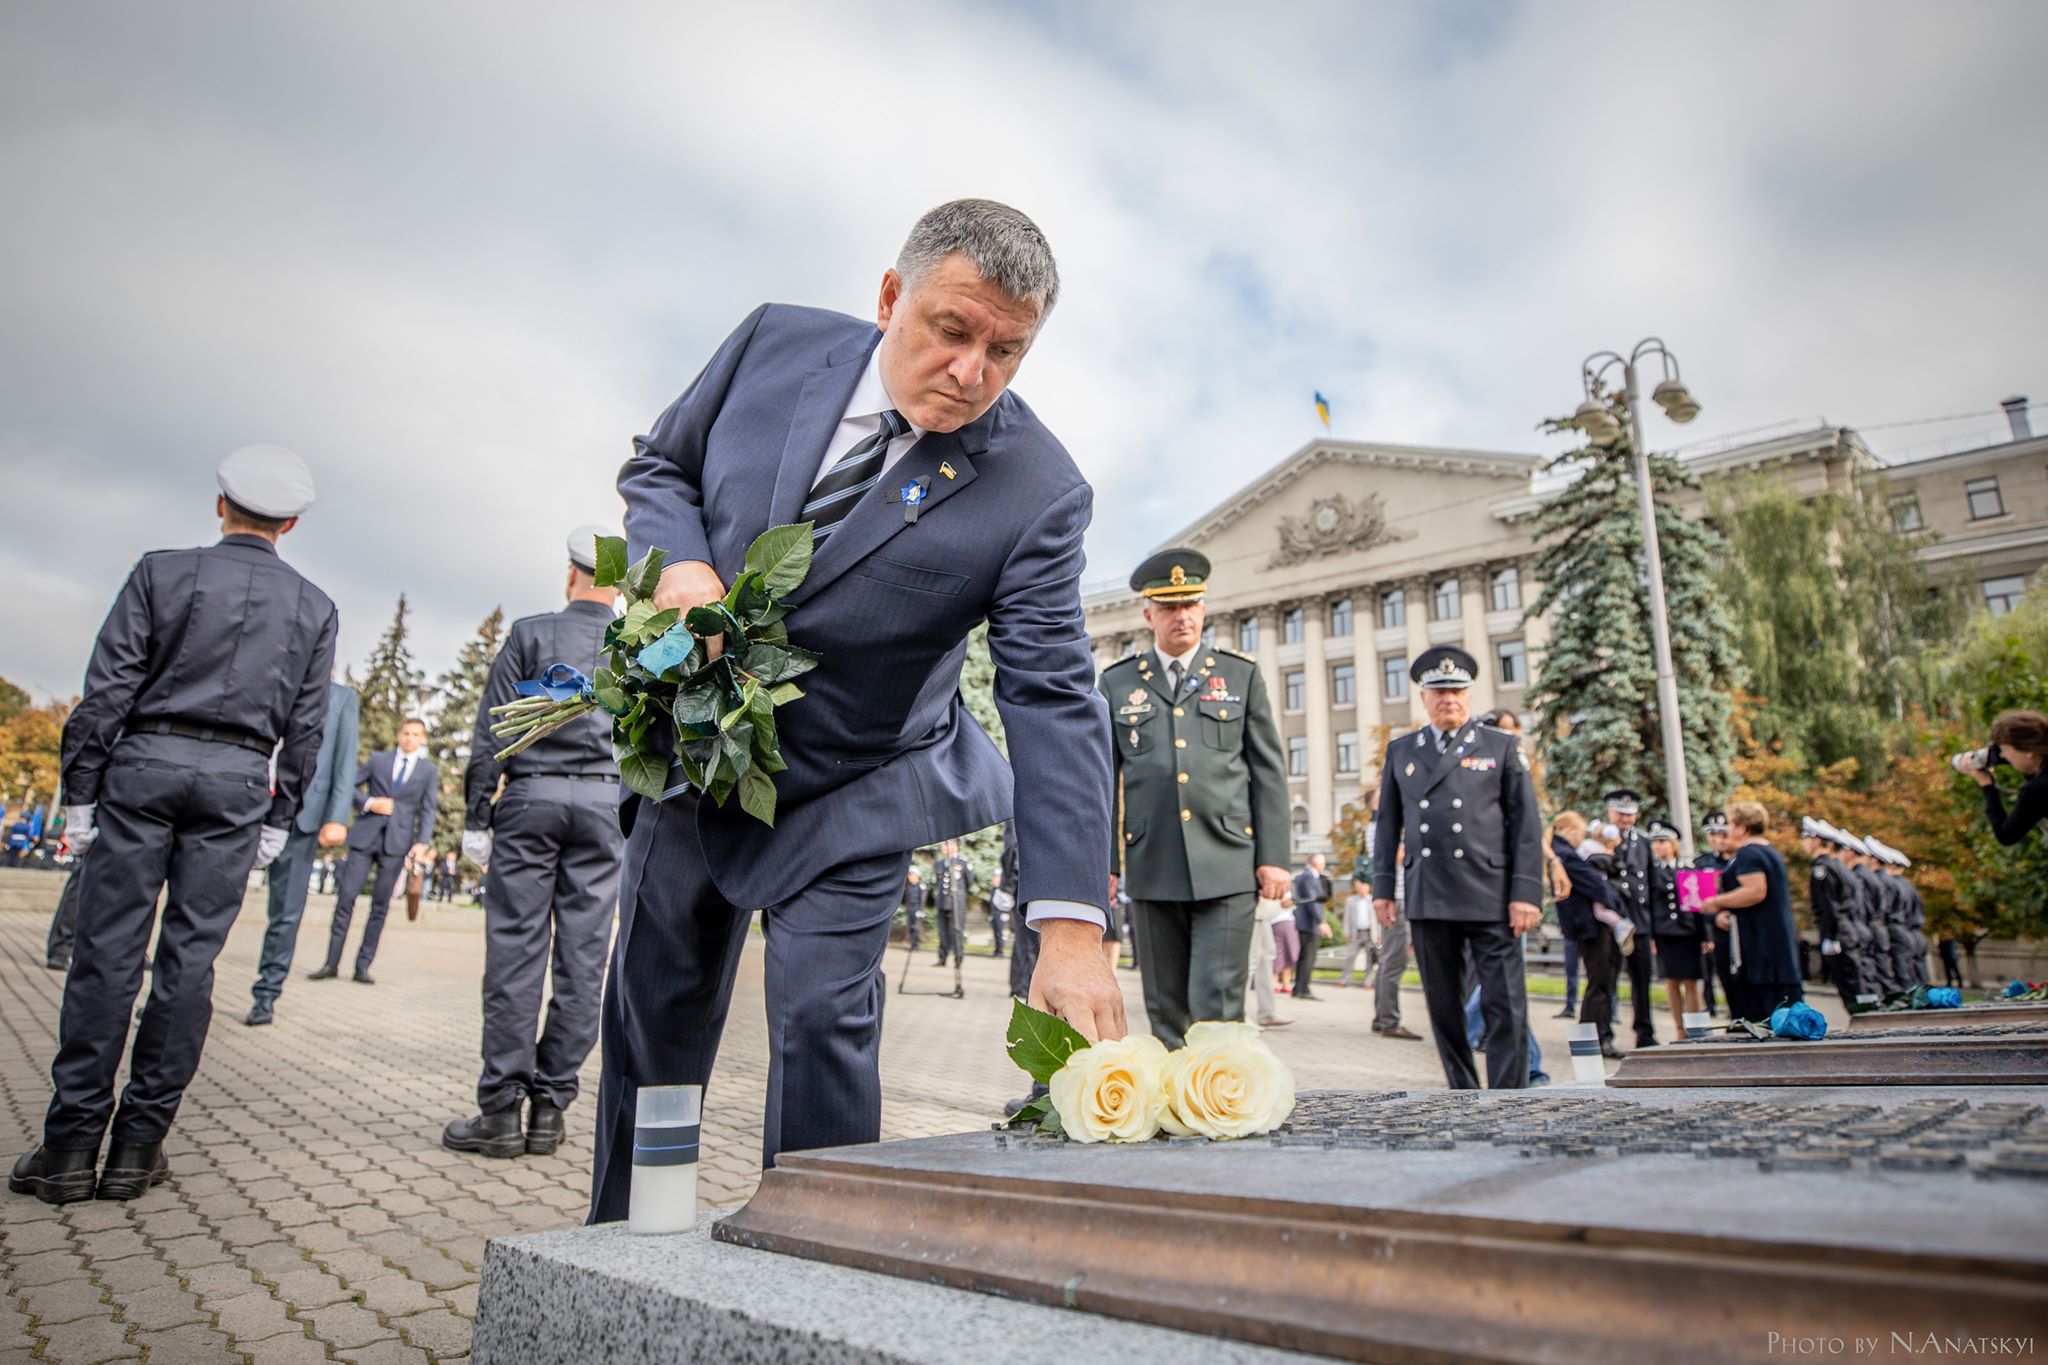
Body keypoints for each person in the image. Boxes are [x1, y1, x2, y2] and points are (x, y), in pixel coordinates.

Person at [593, 200, 1117, 1215]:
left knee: (822, 1026)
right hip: (697, 757)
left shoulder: (1037, 492)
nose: (972, 373)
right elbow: (659, 467)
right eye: (951, 332)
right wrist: (685, 567)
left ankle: (813, 1261)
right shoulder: (771, 343)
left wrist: (1069, 925)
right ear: (889, 299)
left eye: (1006, 351)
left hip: (856, 782)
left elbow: (1050, 694)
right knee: (654, 1021)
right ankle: (628, 1236)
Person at [11, 446, 335, 1206]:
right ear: (289, 523)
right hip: (234, 785)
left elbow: (105, 692)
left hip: (143, 765)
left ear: (220, 506)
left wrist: (80, 795)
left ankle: (67, 1149)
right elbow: (308, 726)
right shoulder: (315, 607)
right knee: (188, 965)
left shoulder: (160, 572)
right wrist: (281, 814)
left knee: (107, 957)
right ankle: (136, 1148)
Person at [443, 526, 627, 1160]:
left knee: (516, 952)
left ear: (570, 573)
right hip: (606, 805)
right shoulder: (637, 646)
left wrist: (475, 816)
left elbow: (491, 731)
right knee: (584, 958)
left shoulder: (528, 633)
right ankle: (550, 1111)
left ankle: (500, 1113)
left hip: (531, 799)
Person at [1102, 547, 1288, 1050]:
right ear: (1148, 614)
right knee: (1165, 1007)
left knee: (1217, 1003)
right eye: (1168, 607)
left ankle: (1222, 1111)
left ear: (1204, 609)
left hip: (1228, 860)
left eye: (1190, 605)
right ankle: (1174, 1115)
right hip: (1153, 858)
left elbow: (1267, 771)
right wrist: (1107, 862)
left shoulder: (1240, 675)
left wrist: (1274, 859)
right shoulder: (1117, 683)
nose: (1180, 616)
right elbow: (1103, 781)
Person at [1370, 647, 1542, 1090]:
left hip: (1492, 893)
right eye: (1439, 691)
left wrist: (1526, 893)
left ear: (1469, 695)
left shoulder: (1500, 746)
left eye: (1457, 691)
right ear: (1423, 698)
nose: (1449, 699)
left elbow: (1525, 825)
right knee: (1443, 1005)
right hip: (1430, 892)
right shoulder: (1403, 750)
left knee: (1505, 1002)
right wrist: (1383, 890)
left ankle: (1509, 1095)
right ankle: (1462, 1093)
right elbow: (1388, 825)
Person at [245, 681, 358, 1026]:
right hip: (245, 801)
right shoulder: (267, 679)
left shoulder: (340, 698)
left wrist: (336, 816)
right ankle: (176, 990)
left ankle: (267, 993)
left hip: (302, 815)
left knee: (286, 912)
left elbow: (345, 759)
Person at [311, 717, 437, 985]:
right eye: (406, 733)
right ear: (398, 734)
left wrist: (421, 842)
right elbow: (349, 786)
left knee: (380, 907)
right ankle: (331, 963)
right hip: (364, 838)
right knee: (346, 898)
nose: (410, 738)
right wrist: (369, 802)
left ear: (422, 739)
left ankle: (363, 966)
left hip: (397, 843)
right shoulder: (378, 760)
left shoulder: (428, 771)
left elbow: (428, 809)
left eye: (416, 734)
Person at [1699, 802, 1803, 1022]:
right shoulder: (1769, 851)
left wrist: (1717, 901)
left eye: (1731, 824)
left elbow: (1755, 891)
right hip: (1777, 946)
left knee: (1765, 1015)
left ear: (1742, 828)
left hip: (1762, 949)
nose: (1727, 830)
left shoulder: (1748, 854)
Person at [1551, 811, 1626, 1059]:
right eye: (1579, 833)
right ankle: (1595, 1038)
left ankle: (1592, 1038)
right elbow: (1594, 884)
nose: (1581, 839)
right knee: (1600, 981)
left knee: (1600, 981)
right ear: (1569, 830)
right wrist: (1617, 906)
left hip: (1588, 924)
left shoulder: (1562, 853)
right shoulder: (1565, 854)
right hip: (1589, 926)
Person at [1603, 789, 1659, 1048]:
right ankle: (1604, 1033)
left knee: (1641, 978)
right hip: (1612, 920)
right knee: (1606, 978)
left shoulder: (1644, 842)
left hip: (1640, 921)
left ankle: (1644, 1031)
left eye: (1629, 814)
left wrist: (1654, 928)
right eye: (1620, 814)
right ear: (1610, 812)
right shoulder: (1601, 837)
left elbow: (1653, 883)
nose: (1625, 819)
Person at [1644, 819, 1707, 1041]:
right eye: (1654, 842)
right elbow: (1649, 907)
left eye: (1662, 841)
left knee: (1691, 981)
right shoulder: (1651, 873)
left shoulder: (1689, 869)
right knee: (1671, 981)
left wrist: (1705, 936)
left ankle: (1695, 1026)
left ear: (1673, 843)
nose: (1658, 846)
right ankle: (1679, 1028)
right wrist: (1651, 935)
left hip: (1688, 933)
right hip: (1665, 933)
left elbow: (1699, 906)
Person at [1800, 817, 1864, 1013]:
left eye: (1806, 838)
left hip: (1839, 932)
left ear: (1817, 841)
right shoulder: (1839, 866)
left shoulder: (1822, 868)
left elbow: (1829, 906)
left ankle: (1863, 1025)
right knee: (1856, 982)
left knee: (1850, 986)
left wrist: (1831, 936)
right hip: (1849, 929)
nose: (1803, 843)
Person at [1958, 710, 2048, 845]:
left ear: (2028, 750)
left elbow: (2006, 836)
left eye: (2005, 749)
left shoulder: (2035, 791)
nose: (2003, 756)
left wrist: (1987, 785)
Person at [1693, 811, 1735, 1016]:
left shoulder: (1737, 860)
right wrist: (1706, 932)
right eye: (1712, 835)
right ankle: (1711, 1006)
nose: (1717, 839)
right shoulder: (1702, 863)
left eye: (1721, 834)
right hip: (1712, 926)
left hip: (1736, 924)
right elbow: (1699, 902)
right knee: (1712, 972)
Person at [1290, 853, 1333, 1002]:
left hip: (1306, 922)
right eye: (1323, 863)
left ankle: (1299, 988)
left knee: (1305, 956)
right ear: (1315, 863)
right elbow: (1313, 901)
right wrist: (1321, 921)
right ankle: (1303, 988)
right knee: (1308, 956)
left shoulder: (1305, 876)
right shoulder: (1309, 877)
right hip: (1308, 923)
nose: (1324, 866)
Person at [1247, 893, 1292, 1028]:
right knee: (1251, 962)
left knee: (1266, 960)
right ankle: (1240, 1015)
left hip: (1265, 913)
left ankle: (1267, 1012)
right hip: (1256, 911)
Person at [931, 840, 974, 967]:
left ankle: (958, 958)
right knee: (942, 931)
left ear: (954, 846)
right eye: (943, 844)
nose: (943, 847)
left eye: (946, 844)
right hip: (942, 901)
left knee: (957, 930)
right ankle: (942, 958)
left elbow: (969, 882)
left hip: (957, 902)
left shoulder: (963, 863)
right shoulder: (938, 864)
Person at [901, 865, 928, 953]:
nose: (910, 877)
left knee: (916, 928)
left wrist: (921, 911)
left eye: (912, 875)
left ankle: (916, 945)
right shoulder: (908, 887)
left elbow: (922, 900)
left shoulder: (921, 887)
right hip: (910, 909)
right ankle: (912, 944)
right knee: (911, 927)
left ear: (917, 876)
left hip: (917, 910)